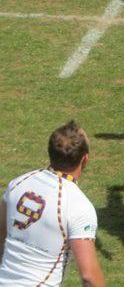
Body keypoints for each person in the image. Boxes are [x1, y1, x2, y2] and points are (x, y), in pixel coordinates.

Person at [0, 121, 105, 287]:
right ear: (85, 159)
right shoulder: (78, 206)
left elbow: (1, 236)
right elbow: (89, 277)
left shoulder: (18, 184)